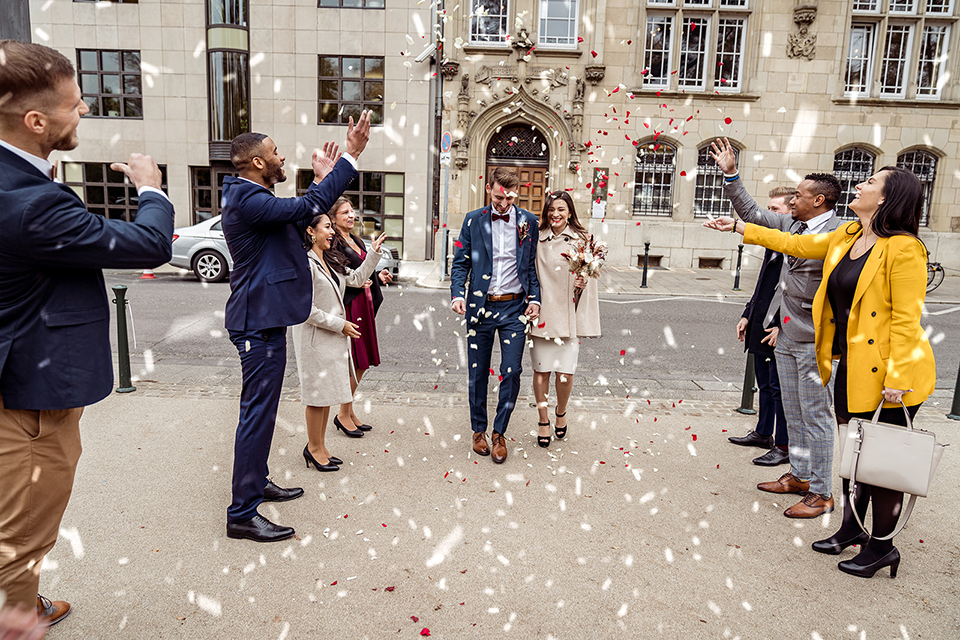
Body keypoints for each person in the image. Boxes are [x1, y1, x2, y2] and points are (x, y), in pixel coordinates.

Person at [0, 40, 174, 622]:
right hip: (29, 397)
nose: (84, 113)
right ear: (35, 120)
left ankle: (22, 605)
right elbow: (147, 245)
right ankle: (17, 618)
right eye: (76, 106)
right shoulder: (31, 204)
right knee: (24, 527)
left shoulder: (20, 183)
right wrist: (150, 188)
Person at [705, 166, 935, 578]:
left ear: (884, 198)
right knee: (857, 457)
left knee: (882, 463)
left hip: (891, 377)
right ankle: (851, 528)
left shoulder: (905, 250)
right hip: (850, 364)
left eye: (870, 183)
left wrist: (897, 380)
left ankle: (882, 545)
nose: (860, 185)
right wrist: (740, 228)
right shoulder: (848, 236)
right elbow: (798, 244)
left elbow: (906, 321)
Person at [221, 112, 371, 543]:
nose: (281, 157)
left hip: (267, 319)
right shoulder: (247, 198)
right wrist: (350, 158)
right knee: (256, 414)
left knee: (263, 413)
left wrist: (324, 184)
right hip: (256, 323)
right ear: (256, 164)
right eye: (274, 154)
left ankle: (255, 481)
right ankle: (242, 513)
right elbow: (303, 208)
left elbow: (302, 214)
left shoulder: (254, 196)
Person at [710, 138, 843, 519]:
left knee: (816, 415)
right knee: (795, 410)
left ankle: (821, 492)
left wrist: (738, 228)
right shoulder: (792, 223)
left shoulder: (839, 232)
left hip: (817, 338)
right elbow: (752, 212)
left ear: (819, 201)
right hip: (785, 333)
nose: (793, 200)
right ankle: (799, 476)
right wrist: (731, 174)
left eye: (799, 195)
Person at [451, 167, 541, 464]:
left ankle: (499, 432)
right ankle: (479, 431)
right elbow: (460, 263)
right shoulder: (473, 220)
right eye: (497, 197)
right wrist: (457, 294)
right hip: (481, 308)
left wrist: (535, 300)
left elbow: (530, 267)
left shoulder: (529, 222)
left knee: (512, 371)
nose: (502, 204)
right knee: (477, 372)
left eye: (508, 198)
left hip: (514, 308)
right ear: (489, 188)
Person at [293, 211, 386, 469]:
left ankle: (320, 446)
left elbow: (356, 279)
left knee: (327, 395)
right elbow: (305, 309)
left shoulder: (329, 260)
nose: (332, 231)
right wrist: (340, 325)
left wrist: (374, 254)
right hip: (314, 339)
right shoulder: (304, 263)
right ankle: (313, 448)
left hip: (331, 338)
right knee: (316, 396)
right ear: (310, 231)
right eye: (326, 227)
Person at [727, 186, 794, 467]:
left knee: (780, 388)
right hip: (761, 318)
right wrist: (747, 313)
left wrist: (782, 326)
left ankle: (783, 445)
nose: (769, 214)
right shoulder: (773, 244)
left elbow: (795, 293)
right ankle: (764, 432)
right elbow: (763, 285)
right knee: (764, 382)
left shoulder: (798, 246)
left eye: (775, 209)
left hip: (779, 325)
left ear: (791, 212)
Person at [529, 191, 601, 448]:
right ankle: (543, 420)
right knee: (541, 371)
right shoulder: (537, 240)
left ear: (570, 211)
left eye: (561, 209)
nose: (555, 214)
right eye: (551, 209)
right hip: (544, 315)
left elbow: (592, 277)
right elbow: (530, 273)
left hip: (569, 315)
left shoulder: (583, 239)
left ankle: (561, 412)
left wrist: (583, 281)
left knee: (565, 374)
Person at [328, 197, 393, 436]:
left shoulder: (354, 239)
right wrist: (359, 280)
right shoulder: (333, 242)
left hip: (365, 303)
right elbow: (339, 275)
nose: (351, 215)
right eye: (344, 212)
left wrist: (378, 275)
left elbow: (363, 269)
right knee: (357, 360)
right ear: (333, 218)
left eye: (352, 211)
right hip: (351, 305)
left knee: (361, 362)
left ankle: (348, 410)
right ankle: (342, 414)